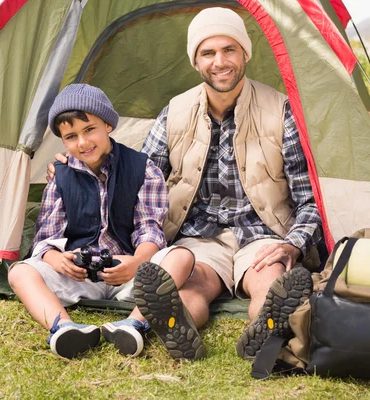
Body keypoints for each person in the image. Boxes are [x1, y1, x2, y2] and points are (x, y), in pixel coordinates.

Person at [48, 7, 322, 362]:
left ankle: (268, 326)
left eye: (229, 50)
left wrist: (293, 246)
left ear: (245, 54)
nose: (219, 62)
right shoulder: (175, 112)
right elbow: (135, 176)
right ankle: (176, 325)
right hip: (198, 237)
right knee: (191, 289)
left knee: (269, 281)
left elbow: (309, 201)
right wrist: (77, 166)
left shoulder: (279, 111)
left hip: (263, 233)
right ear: (196, 61)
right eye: (208, 53)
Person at [9, 83, 194, 360]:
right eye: (71, 137)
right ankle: (64, 328)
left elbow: (149, 228)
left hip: (130, 273)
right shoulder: (60, 176)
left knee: (180, 257)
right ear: (62, 141)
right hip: (81, 276)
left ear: (107, 125)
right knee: (20, 272)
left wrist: (138, 263)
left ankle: (134, 324)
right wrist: (55, 259)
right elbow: (47, 236)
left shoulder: (143, 168)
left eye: (89, 130)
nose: (82, 143)